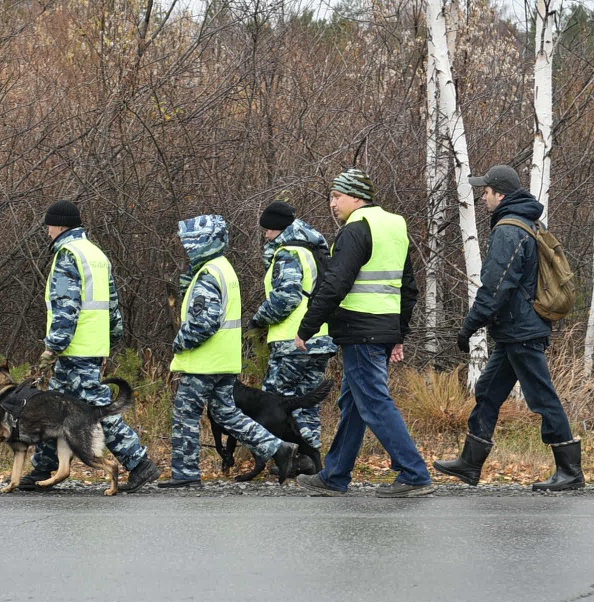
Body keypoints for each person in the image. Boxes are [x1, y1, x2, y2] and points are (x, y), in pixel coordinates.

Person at [432, 164, 584, 491]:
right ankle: (470, 464)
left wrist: (470, 326)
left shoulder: (508, 230)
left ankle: (570, 471)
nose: (483, 197)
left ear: (499, 194)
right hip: (516, 330)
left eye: (485, 191)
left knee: (542, 398)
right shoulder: (525, 223)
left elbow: (496, 286)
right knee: (487, 391)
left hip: (522, 332)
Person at [294, 169, 434, 498]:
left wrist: (307, 327)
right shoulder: (395, 226)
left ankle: (414, 474)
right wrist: (399, 331)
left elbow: (335, 284)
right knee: (355, 404)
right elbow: (408, 287)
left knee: (373, 402)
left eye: (337, 197)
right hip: (381, 330)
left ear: (357, 198)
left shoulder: (356, 230)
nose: (332, 204)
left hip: (361, 330)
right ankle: (335, 476)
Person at [18, 200, 161, 493]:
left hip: (75, 348)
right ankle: (43, 469)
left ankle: (139, 463)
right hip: (91, 346)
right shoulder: (96, 254)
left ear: (59, 225)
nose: (47, 231)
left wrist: (53, 346)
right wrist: (112, 338)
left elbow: (65, 307)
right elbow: (113, 305)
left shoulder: (68, 255)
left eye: (48, 225)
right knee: (54, 410)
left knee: (95, 410)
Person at [160, 214, 301, 488]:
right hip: (223, 360)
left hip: (203, 362)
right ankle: (278, 449)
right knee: (227, 413)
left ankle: (186, 474)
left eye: (190, 241)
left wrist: (180, 342)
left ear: (202, 242)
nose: (187, 246)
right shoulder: (223, 267)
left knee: (185, 414)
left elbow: (203, 323)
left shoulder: (208, 273)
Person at [248, 200, 336, 449]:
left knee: (275, 402)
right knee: (307, 403)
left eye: (268, 229)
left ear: (278, 228)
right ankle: (309, 456)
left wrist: (258, 320)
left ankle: (282, 455)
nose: (265, 234)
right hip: (321, 339)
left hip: (292, 342)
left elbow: (286, 298)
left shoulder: (288, 253)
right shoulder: (311, 251)